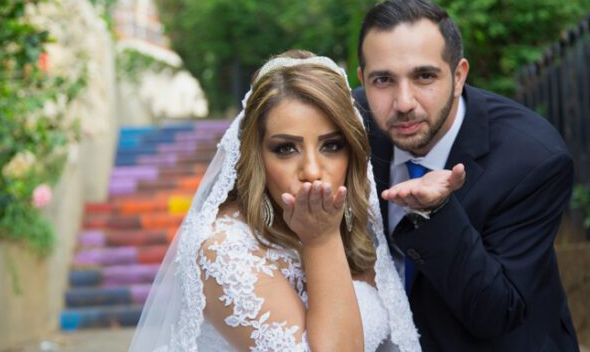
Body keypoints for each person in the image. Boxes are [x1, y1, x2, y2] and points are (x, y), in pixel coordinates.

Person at [129, 50, 422, 351]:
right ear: (256, 156)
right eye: (286, 149)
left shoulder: (350, 223)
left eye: (331, 145)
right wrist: (321, 241)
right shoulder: (223, 249)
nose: (311, 171)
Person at [353, 0, 580, 351]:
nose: (403, 102)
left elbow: (495, 312)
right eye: (383, 80)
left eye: (424, 76)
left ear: (459, 76)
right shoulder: (346, 128)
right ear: (363, 80)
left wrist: (436, 213)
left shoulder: (533, 160)